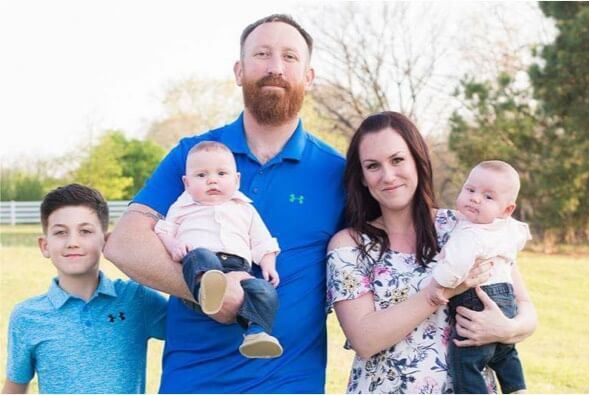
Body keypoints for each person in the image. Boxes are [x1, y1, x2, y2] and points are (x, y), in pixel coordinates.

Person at [104, 14, 346, 393]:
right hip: (195, 380)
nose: (275, 67)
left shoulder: (337, 172)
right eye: (262, 54)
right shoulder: (194, 157)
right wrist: (208, 289)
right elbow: (125, 243)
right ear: (239, 70)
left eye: (290, 57)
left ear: (309, 77)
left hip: (291, 382)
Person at [326, 111, 537, 393]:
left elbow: (526, 309)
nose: (388, 176)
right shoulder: (350, 245)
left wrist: (506, 329)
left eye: (398, 160)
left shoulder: (466, 226)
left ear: (417, 161)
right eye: (373, 166)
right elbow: (365, 339)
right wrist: (441, 290)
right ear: (362, 177)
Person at [2, 184, 167, 394]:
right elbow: (14, 389)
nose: (73, 242)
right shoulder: (27, 316)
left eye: (85, 231)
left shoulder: (137, 299)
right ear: (44, 245)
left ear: (106, 241)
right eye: (61, 232)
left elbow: (193, 331)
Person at [154, 140, 282, 358]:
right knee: (200, 255)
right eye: (201, 175)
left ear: (237, 179)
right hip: (201, 263)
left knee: (265, 291)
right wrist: (174, 246)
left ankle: (256, 332)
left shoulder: (245, 209)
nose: (212, 180)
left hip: (238, 268)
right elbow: (164, 230)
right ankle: (206, 289)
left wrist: (269, 264)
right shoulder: (182, 207)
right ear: (186, 183)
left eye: (222, 173)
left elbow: (262, 240)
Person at [426, 160, 531, 393]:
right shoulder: (508, 228)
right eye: (470, 190)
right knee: (505, 352)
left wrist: (437, 287)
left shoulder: (470, 233)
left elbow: (455, 267)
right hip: (506, 299)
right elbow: (522, 235)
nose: (475, 198)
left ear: (507, 209)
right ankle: (516, 387)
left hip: (476, 300)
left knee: (464, 358)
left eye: (488, 197)